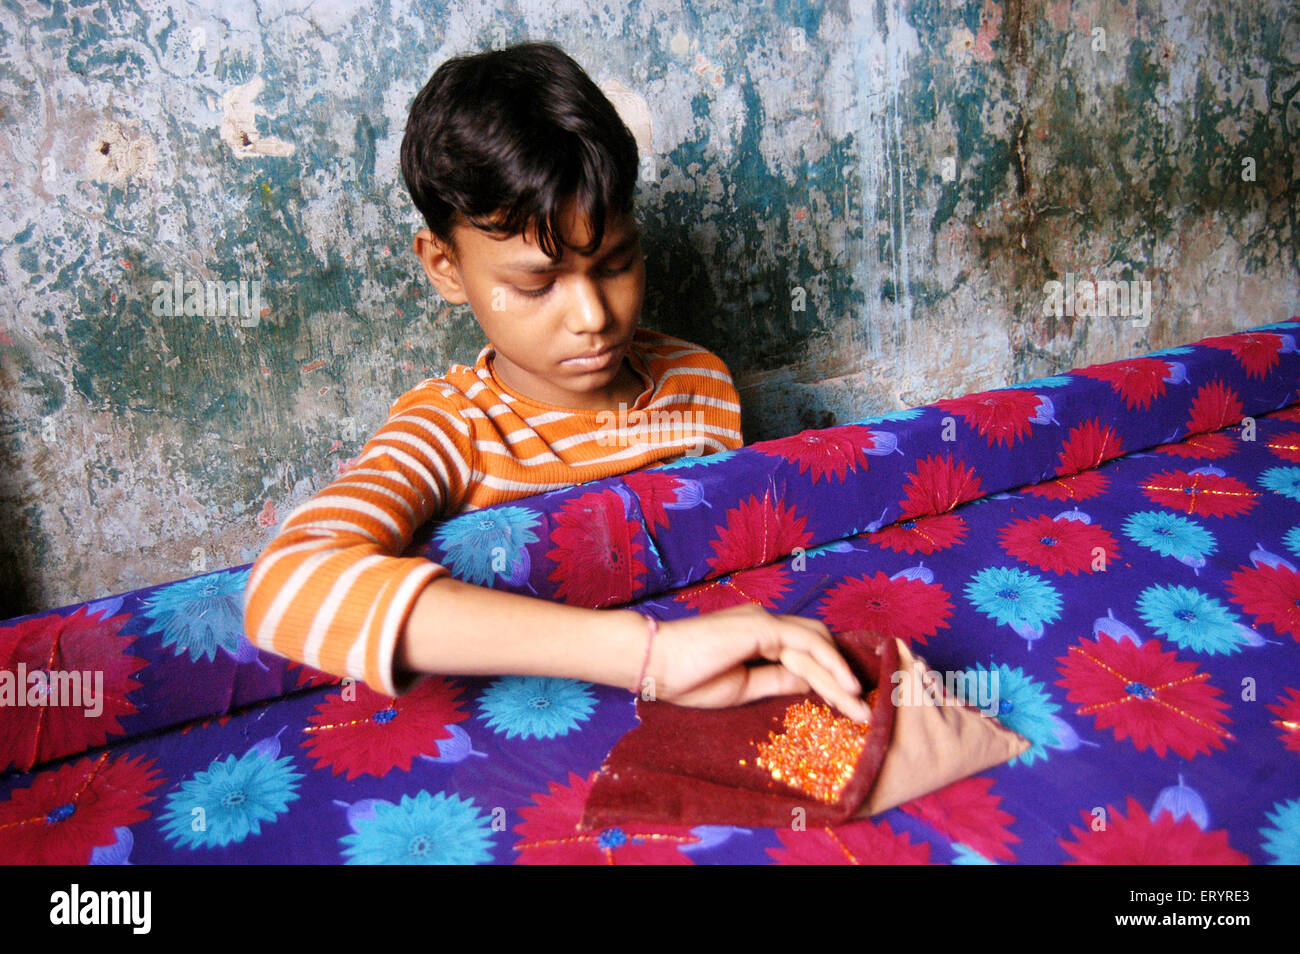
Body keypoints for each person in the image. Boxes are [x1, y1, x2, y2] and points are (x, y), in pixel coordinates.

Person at [242, 41, 870, 723]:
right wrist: (648, 655)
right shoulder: (452, 431)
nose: (594, 317)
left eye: (614, 263)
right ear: (444, 265)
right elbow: (286, 585)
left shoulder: (700, 382)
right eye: (536, 283)